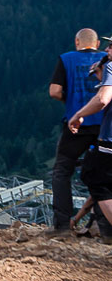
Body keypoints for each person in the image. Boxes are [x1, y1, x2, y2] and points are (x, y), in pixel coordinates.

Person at [48, 29, 112, 236]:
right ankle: (105, 230)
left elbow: (54, 91)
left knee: (62, 171)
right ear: (97, 43)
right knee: (101, 175)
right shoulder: (106, 59)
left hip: (76, 125)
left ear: (77, 42)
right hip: (104, 126)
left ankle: (62, 226)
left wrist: (70, 102)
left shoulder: (66, 59)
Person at [68, 42, 112, 246]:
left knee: (95, 178)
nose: (107, 50)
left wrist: (78, 114)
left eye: (111, 46)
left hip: (109, 141)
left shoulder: (110, 67)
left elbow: (102, 99)